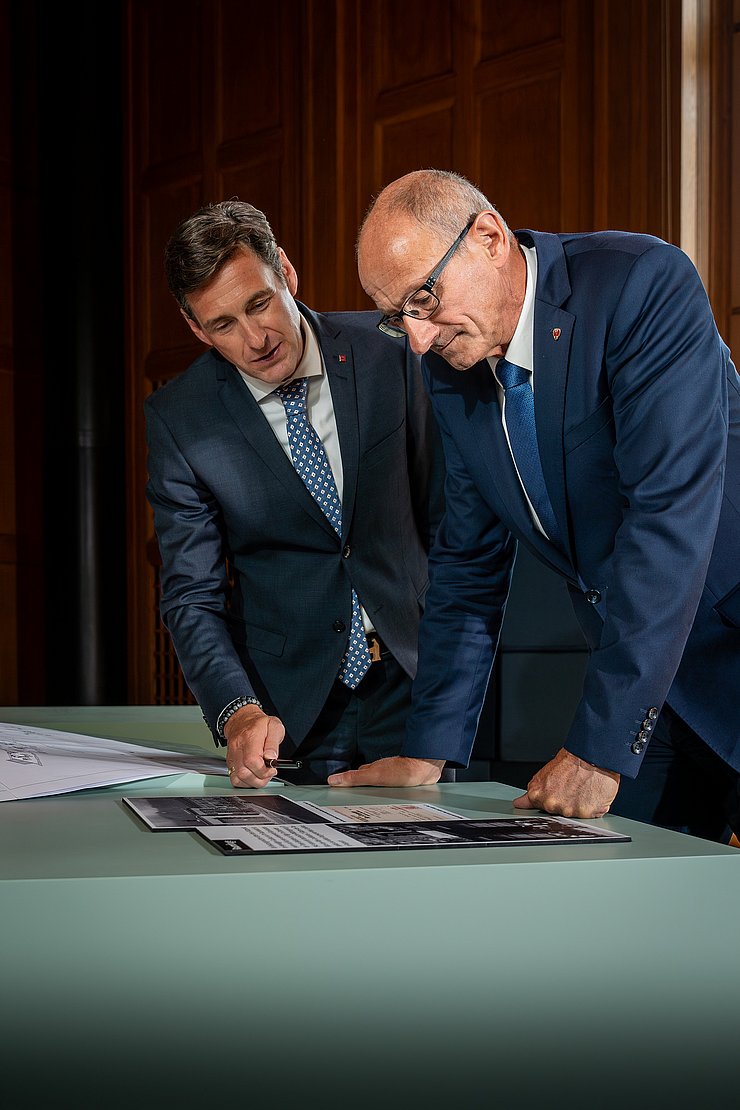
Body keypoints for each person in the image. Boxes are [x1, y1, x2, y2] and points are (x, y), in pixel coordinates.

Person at [329, 168, 740, 845]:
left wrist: (601, 746)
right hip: (649, 691)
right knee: (630, 918)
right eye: (398, 317)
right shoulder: (451, 366)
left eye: (424, 299)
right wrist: (429, 748)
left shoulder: (641, 284)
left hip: (721, 643)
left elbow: (666, 519)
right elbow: (468, 561)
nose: (420, 338)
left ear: (488, 237)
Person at [145, 199, 445, 788]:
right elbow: (191, 595)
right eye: (223, 325)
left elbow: (449, 524)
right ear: (195, 328)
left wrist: (457, 679)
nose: (255, 339)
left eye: (259, 303)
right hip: (289, 713)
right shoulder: (181, 418)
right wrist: (237, 710)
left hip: (419, 683)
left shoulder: (391, 352)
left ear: (285, 270)